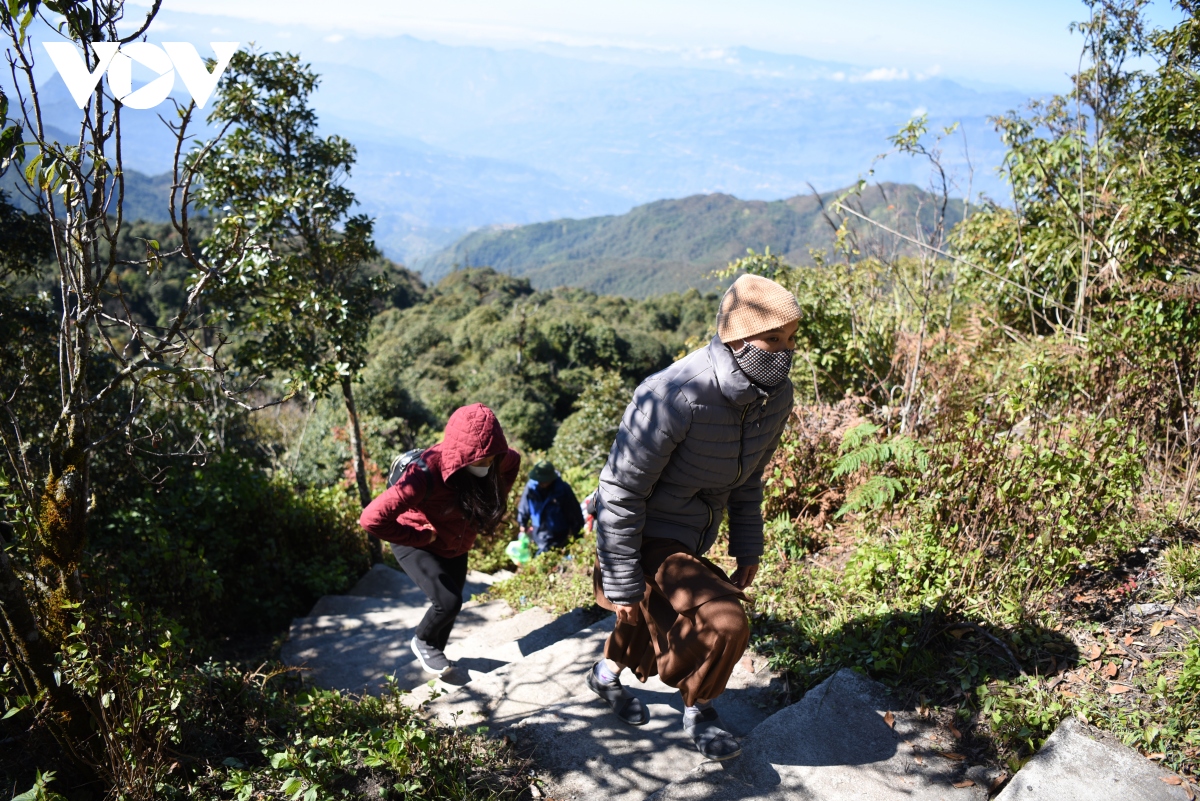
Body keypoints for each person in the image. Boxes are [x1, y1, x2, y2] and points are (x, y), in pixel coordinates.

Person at [587, 273, 800, 760]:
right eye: (774, 338)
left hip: (690, 536)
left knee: (640, 613)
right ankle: (698, 704)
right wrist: (620, 575)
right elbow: (619, 490)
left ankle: (603, 676)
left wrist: (748, 545)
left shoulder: (775, 396)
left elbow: (749, 478)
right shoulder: (673, 393)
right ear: (738, 335)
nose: (785, 351)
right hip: (643, 531)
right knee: (724, 622)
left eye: (791, 339)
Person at [359, 403, 520, 676]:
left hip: (455, 540)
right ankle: (420, 640)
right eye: (479, 462)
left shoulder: (500, 457)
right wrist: (417, 535)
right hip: (415, 536)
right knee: (448, 602)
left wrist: (490, 504)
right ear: (461, 456)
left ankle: (435, 661)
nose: (487, 466)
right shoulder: (423, 475)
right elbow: (370, 519)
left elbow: (510, 465)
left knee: (450, 609)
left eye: (490, 460)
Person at [516, 460, 585, 555]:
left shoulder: (562, 489)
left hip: (558, 532)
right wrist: (522, 523)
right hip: (538, 531)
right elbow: (524, 506)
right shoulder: (531, 488)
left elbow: (574, 512)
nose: (541, 483)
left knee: (552, 556)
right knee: (543, 556)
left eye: (544, 481)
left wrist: (578, 534)